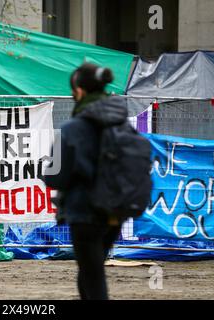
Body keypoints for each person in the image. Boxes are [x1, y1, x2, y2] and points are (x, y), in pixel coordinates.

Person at [44, 63, 127, 300]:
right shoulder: (122, 124)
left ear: (79, 91)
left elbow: (54, 176)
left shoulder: (72, 129)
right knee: (91, 270)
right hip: (115, 212)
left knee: (92, 275)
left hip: (84, 213)